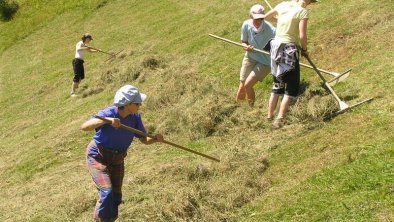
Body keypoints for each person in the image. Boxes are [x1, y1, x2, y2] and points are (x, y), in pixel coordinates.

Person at [81, 85, 164, 222]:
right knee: (106, 191)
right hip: (98, 156)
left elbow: (144, 139)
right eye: (137, 103)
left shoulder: (135, 117)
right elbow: (84, 127)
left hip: (117, 159)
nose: (140, 105)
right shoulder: (109, 113)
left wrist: (155, 139)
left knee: (116, 196)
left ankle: (109, 219)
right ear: (127, 104)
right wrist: (106, 120)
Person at [263, 0, 318, 128]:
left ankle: (269, 116)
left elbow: (266, 17)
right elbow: (302, 35)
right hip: (288, 49)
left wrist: (281, 21)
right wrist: (304, 49)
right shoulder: (302, 12)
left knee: (278, 82)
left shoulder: (283, 5)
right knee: (292, 85)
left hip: (275, 48)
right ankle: (280, 119)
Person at [236, 4, 276, 107]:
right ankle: (237, 108)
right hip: (250, 57)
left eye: (260, 19)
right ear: (250, 17)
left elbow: (282, 41)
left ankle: (251, 110)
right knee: (242, 87)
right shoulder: (246, 25)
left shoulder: (270, 29)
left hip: (265, 62)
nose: (258, 22)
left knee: (248, 85)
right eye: (255, 19)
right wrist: (246, 47)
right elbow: (244, 42)